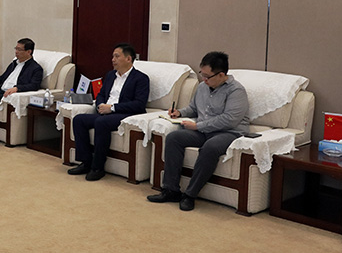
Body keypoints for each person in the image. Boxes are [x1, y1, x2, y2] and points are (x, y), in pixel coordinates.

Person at [147, 51, 249, 211]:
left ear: (221, 75)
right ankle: (171, 190)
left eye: (207, 76)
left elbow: (229, 119)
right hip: (203, 131)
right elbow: (194, 108)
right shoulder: (202, 87)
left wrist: (198, 126)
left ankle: (190, 195)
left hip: (229, 133)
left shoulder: (236, 91)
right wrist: (180, 113)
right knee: (174, 137)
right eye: (202, 74)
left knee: (210, 147)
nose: (204, 79)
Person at [67, 43, 149, 181]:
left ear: (128, 59)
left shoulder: (141, 78)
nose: (113, 59)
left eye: (117, 56)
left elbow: (139, 104)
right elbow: (101, 94)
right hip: (105, 112)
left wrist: (112, 108)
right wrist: (100, 105)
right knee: (79, 119)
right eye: (112, 56)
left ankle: (98, 167)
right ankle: (86, 162)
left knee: (101, 122)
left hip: (124, 115)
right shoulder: (110, 75)